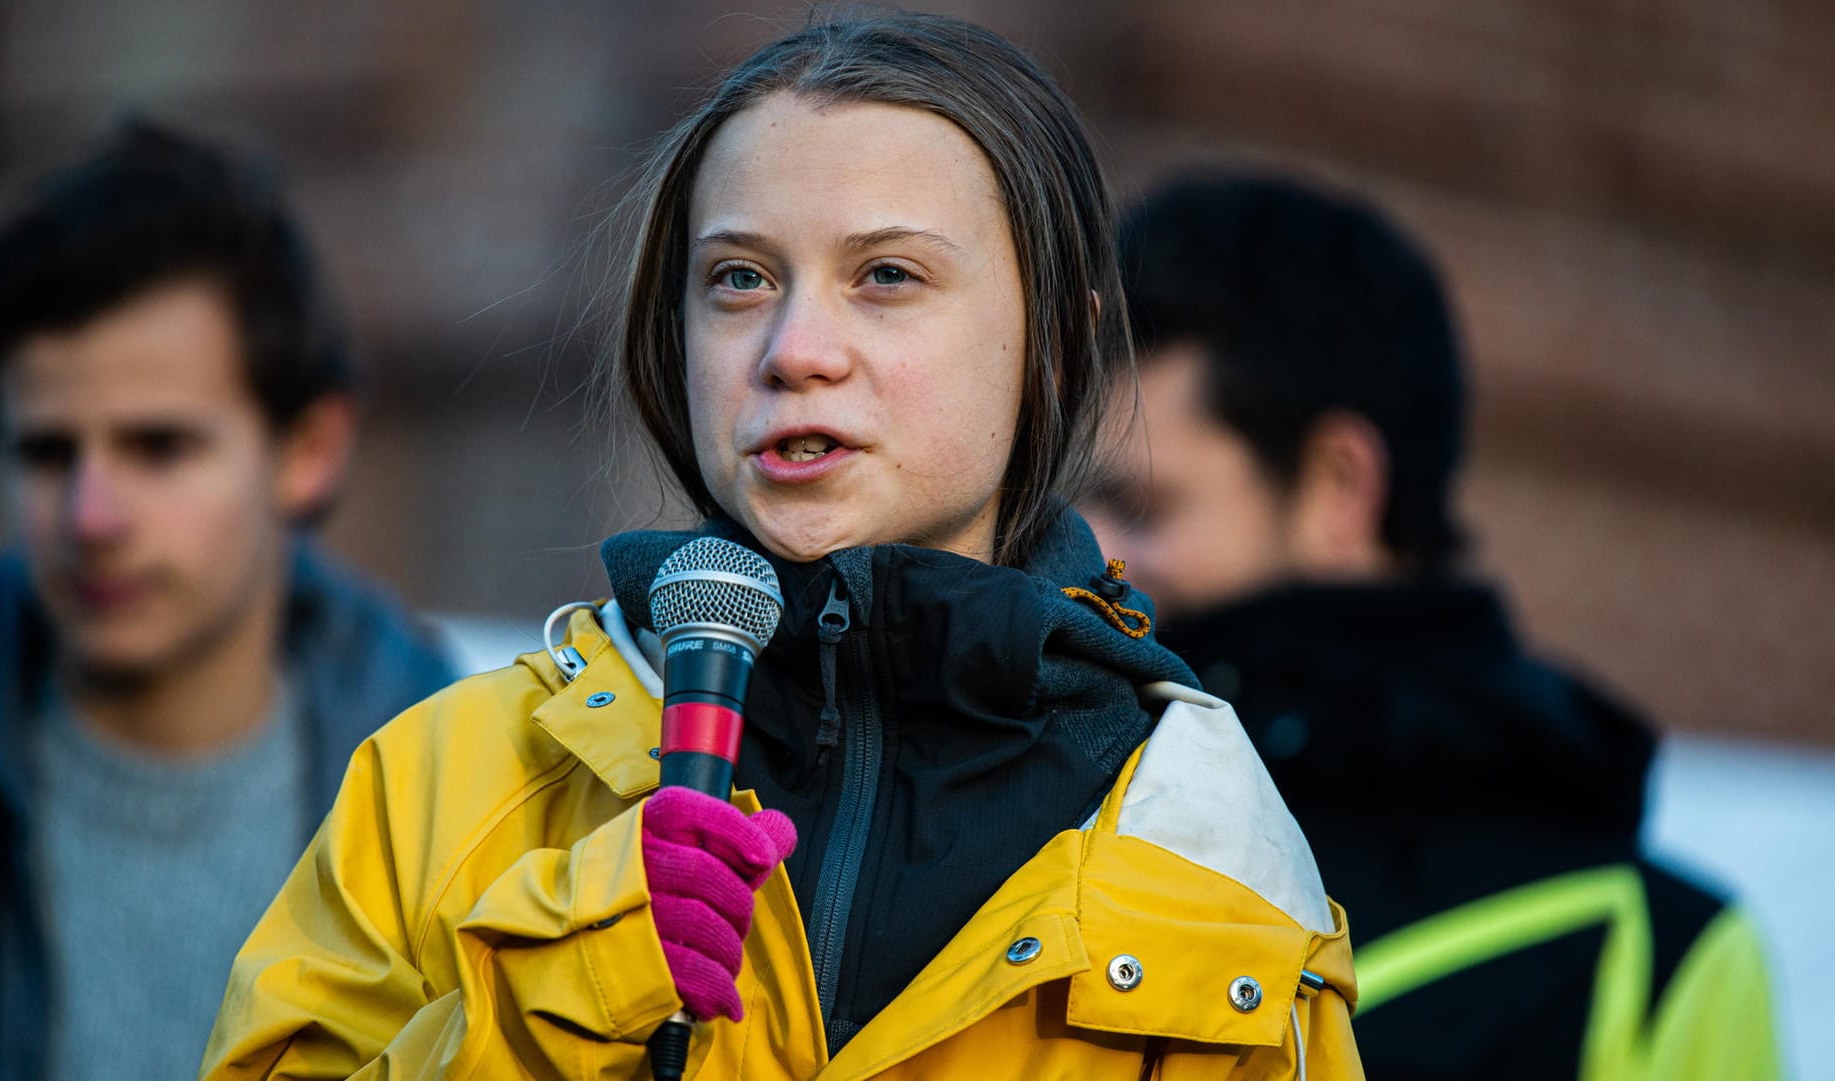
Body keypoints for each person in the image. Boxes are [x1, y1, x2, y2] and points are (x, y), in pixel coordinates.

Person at [198, 14, 1362, 1080]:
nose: (795, 349)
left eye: (887, 276)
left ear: (1057, 343)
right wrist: (565, 989)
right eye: (740, 279)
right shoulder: (443, 780)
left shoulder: (1212, 847)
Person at [1084, 173, 1779, 1079]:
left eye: (1144, 505)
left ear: (1339, 486)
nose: (1094, 557)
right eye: (1071, 507)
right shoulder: (1032, 829)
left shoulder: (1646, 952)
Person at [0, 121, 458, 1081]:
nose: (90, 516)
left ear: (309, 451)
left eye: (158, 447)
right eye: (46, 452)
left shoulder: (453, 773)